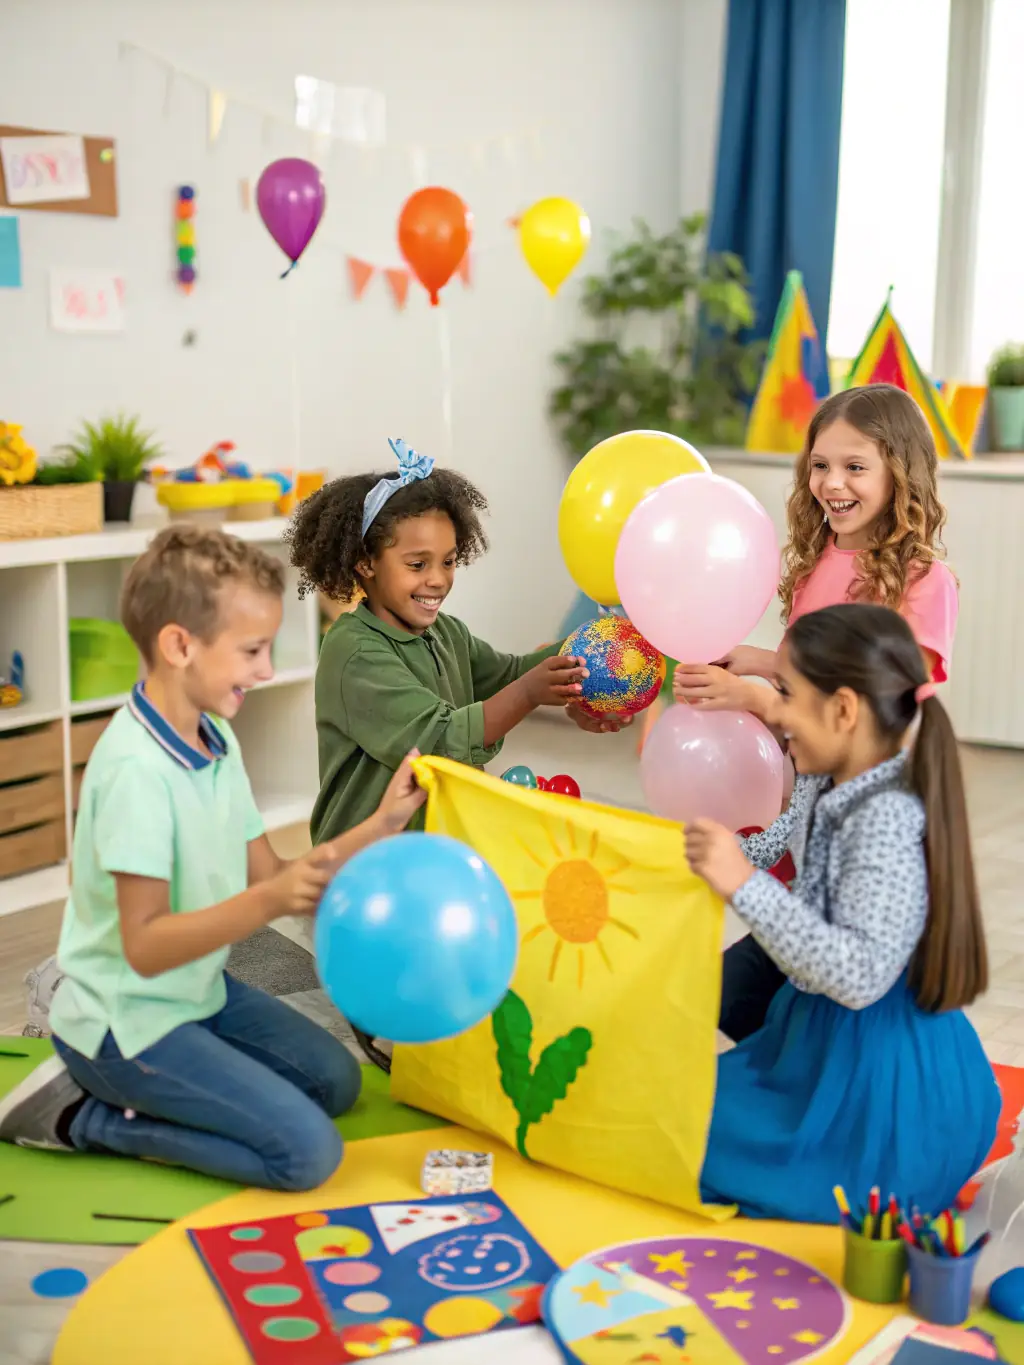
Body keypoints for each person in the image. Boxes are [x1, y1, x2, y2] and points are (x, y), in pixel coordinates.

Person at [0, 526, 426, 1191]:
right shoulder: (135, 772)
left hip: (197, 991)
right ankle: (83, 1115)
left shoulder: (217, 736)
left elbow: (274, 876)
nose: (264, 669)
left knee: (336, 1082)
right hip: (126, 1021)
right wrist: (268, 904)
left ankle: (158, 1081)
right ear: (179, 645)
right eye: (252, 650)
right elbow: (143, 946)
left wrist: (384, 822)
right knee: (307, 1154)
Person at [289, 438, 629, 1071]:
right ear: (364, 564)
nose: (438, 580)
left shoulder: (444, 633)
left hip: (437, 848)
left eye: (447, 561)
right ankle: (378, 1019)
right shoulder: (354, 652)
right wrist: (531, 693)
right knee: (415, 1013)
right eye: (417, 564)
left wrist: (581, 668)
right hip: (367, 864)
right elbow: (440, 738)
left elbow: (505, 674)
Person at [686, 603, 998, 1223]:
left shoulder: (885, 816)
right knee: (672, 1104)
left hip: (876, 1097)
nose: (779, 716)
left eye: (788, 697)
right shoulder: (837, 782)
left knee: (674, 1129)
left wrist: (744, 883)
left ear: (844, 710)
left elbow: (858, 976)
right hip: (817, 1050)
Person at [674, 384, 959, 1042]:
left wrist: (762, 703)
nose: (832, 483)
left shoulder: (925, 581)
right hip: (807, 792)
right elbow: (816, 672)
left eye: (855, 466)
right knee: (780, 959)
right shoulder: (819, 560)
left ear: (902, 470)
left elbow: (876, 706)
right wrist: (751, 658)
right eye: (820, 465)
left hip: (865, 801)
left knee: (835, 963)